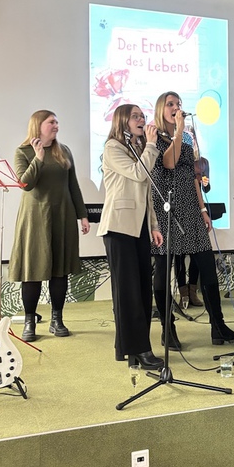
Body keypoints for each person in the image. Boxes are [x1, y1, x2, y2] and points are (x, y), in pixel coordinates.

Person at [151, 91, 234, 348]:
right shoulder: (153, 136)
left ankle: (218, 326)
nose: (176, 107)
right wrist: (179, 131)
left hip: (191, 208)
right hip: (166, 209)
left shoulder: (186, 137)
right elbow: (169, 163)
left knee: (206, 264)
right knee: (164, 268)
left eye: (179, 103)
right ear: (160, 109)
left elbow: (193, 175)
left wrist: (203, 208)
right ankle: (167, 329)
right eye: (170, 104)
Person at [9, 110, 90, 341]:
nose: (56, 125)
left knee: (59, 270)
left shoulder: (64, 151)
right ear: (38, 125)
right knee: (32, 271)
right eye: (51, 122)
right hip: (34, 218)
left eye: (57, 122)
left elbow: (73, 185)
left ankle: (57, 319)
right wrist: (38, 157)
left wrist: (83, 215)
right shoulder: (23, 151)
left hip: (63, 215)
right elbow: (25, 184)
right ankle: (29, 321)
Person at [97, 104, 164, 370]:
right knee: (128, 293)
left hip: (139, 228)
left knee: (142, 290)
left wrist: (154, 225)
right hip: (118, 227)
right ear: (122, 121)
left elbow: (146, 193)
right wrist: (151, 145)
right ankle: (139, 349)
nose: (142, 120)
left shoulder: (138, 149)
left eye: (142, 116)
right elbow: (139, 174)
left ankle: (127, 348)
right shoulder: (112, 147)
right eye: (135, 116)